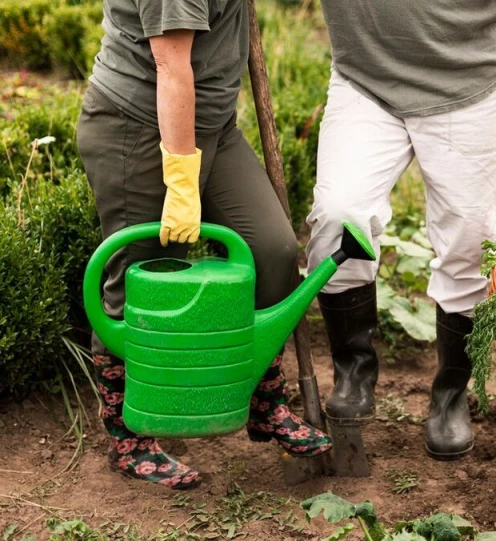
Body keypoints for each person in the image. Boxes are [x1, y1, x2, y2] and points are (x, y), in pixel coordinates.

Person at [306, 0, 496, 460]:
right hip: (366, 84)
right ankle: (353, 368)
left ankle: (451, 394)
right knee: (340, 215)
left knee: (468, 242)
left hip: (469, 90)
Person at [77, 0, 332, 490]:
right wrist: (181, 181)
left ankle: (263, 404)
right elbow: (172, 66)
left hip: (211, 125)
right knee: (137, 277)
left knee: (272, 251)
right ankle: (129, 439)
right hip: (139, 125)